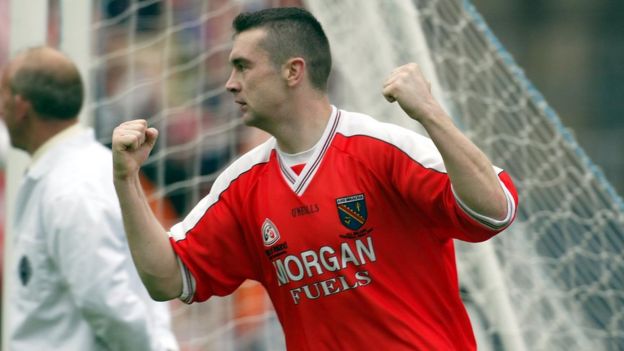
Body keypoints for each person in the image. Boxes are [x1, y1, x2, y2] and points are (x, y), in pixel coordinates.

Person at [112, 7, 518, 351]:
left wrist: (431, 113)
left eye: (242, 66)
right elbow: (167, 279)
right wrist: (126, 180)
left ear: (293, 71)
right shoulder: (241, 186)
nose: (230, 83)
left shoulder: (381, 148)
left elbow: (496, 209)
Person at [0, 46, 179, 351]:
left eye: (2, 95)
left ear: (20, 105)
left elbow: (110, 307)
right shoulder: (79, 169)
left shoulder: (71, 189)